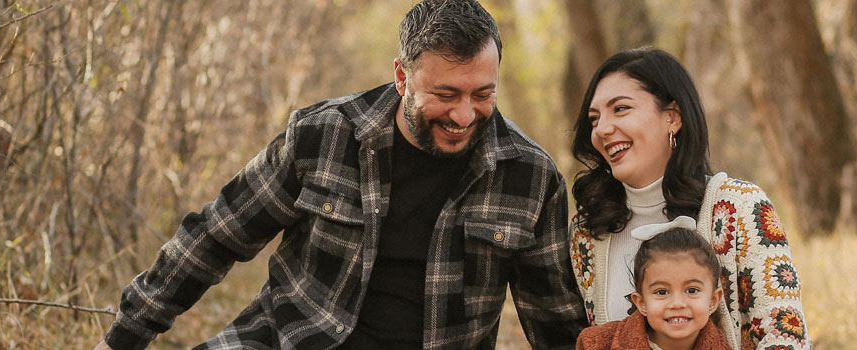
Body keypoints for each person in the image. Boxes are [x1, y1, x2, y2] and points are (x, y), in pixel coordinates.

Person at [95, 1, 586, 349]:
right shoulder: (323, 135)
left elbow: (556, 321)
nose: (464, 114)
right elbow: (216, 235)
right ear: (401, 77)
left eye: (483, 94)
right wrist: (125, 336)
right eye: (446, 94)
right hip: (289, 338)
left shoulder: (530, 176)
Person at [568, 47, 811, 349]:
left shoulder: (739, 207)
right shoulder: (588, 230)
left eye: (620, 109)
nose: (602, 129)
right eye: (594, 119)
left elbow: (784, 336)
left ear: (672, 118)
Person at [576, 217, 730, 350]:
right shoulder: (598, 344)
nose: (677, 304)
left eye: (692, 290)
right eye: (662, 292)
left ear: (713, 300)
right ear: (641, 302)